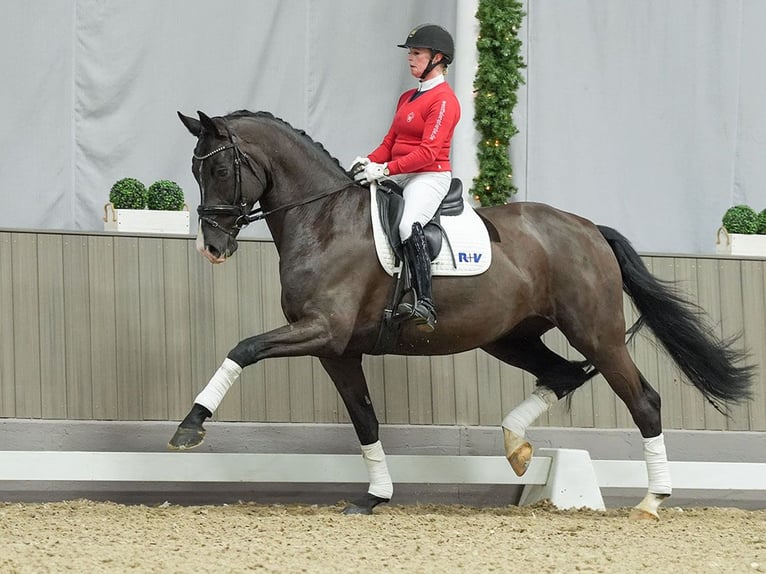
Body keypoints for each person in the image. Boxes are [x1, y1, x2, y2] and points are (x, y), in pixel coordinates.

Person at [351, 23, 461, 333]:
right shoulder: (407, 98)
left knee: (405, 223)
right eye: (409, 54)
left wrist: (385, 170)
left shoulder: (444, 101)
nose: (410, 59)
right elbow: (390, 143)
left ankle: (424, 302)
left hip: (428, 176)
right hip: (400, 172)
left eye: (416, 53)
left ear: (437, 58)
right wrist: (369, 161)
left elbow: (428, 153)